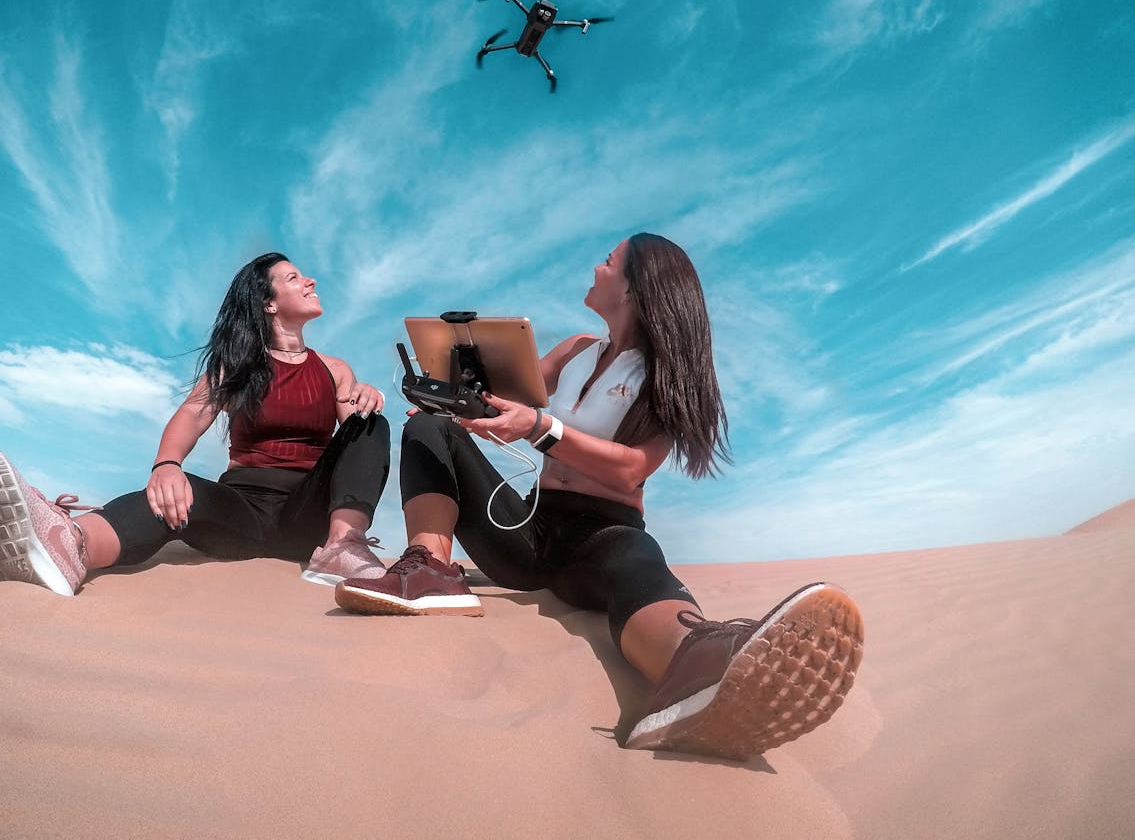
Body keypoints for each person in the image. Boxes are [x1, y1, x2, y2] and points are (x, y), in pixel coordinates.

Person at [334, 233, 864, 761]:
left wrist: (542, 429)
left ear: (635, 288)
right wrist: (453, 406)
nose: (596, 266)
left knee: (637, 561)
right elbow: (504, 421)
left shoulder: (663, 376)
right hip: (531, 528)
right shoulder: (574, 351)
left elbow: (632, 471)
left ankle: (704, 661)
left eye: (609, 261)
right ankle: (430, 567)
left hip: (604, 534)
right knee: (430, 427)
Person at [0, 252, 391, 596]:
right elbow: (192, 413)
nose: (310, 281)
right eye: (294, 277)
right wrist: (166, 465)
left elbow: (355, 447)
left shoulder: (334, 370)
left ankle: (344, 545)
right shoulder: (237, 366)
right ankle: (70, 546)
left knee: (374, 424)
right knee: (176, 493)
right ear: (269, 303)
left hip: (310, 517)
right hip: (240, 513)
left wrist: (364, 401)